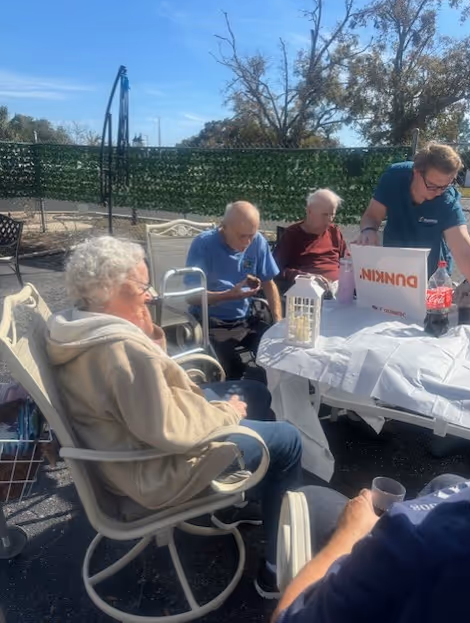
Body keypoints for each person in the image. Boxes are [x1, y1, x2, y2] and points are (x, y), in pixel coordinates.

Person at [45, 236, 302, 598]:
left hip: (127, 440)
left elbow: (148, 398)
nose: (150, 295)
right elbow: (169, 431)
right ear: (110, 289)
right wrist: (226, 413)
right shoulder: (121, 350)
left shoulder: (79, 324)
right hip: (154, 470)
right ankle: (277, 569)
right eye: (141, 286)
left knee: (256, 393)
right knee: (288, 441)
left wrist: (145, 329)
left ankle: (246, 498)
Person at [273, 466, 470, 622]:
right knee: (446, 481)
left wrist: (348, 535)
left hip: (402, 560)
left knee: (311, 496)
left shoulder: (409, 542)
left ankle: (268, 573)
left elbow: (283, 619)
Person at [358, 142, 470, 285]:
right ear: (416, 171)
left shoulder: (447, 199)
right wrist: (368, 230)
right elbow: (372, 216)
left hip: (433, 277)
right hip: (395, 273)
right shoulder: (394, 178)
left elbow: (463, 248)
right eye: (432, 185)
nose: (438, 192)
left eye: (445, 185)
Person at [186, 201, 282, 380]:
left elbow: (269, 283)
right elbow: (190, 297)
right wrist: (228, 295)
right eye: (241, 236)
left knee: (276, 355)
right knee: (232, 369)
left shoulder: (258, 241)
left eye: (251, 236)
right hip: (211, 322)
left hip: (245, 320)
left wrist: (277, 321)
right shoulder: (204, 244)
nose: (247, 243)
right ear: (224, 227)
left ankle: (272, 402)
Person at [273, 189, 347, 294]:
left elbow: (346, 262)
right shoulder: (292, 234)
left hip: (339, 291)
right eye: (325, 215)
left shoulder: (334, 232)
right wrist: (305, 278)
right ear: (309, 211)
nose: (330, 219)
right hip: (309, 295)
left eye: (332, 214)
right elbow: (275, 270)